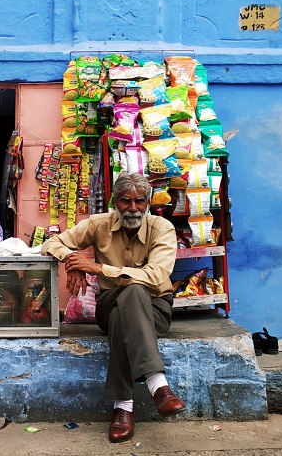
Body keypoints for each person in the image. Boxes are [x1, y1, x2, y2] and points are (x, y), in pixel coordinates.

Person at [40, 172, 185, 443]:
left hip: (155, 309)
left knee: (131, 297)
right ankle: (157, 383)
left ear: (149, 202)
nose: (133, 208)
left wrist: (97, 268)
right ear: (114, 202)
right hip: (108, 303)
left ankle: (123, 406)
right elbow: (50, 243)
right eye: (125, 201)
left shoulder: (162, 228)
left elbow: (156, 275)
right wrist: (72, 259)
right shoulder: (98, 224)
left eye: (139, 201)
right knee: (126, 295)